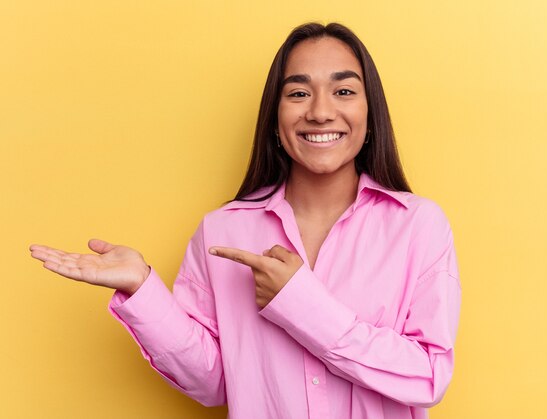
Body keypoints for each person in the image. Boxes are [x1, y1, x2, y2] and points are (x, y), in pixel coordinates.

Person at [30, 22, 461, 419]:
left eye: (344, 91)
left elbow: (427, 376)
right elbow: (214, 382)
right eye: (298, 93)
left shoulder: (418, 226)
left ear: (371, 117)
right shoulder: (221, 231)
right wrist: (142, 289)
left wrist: (299, 303)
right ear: (275, 120)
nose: (320, 112)